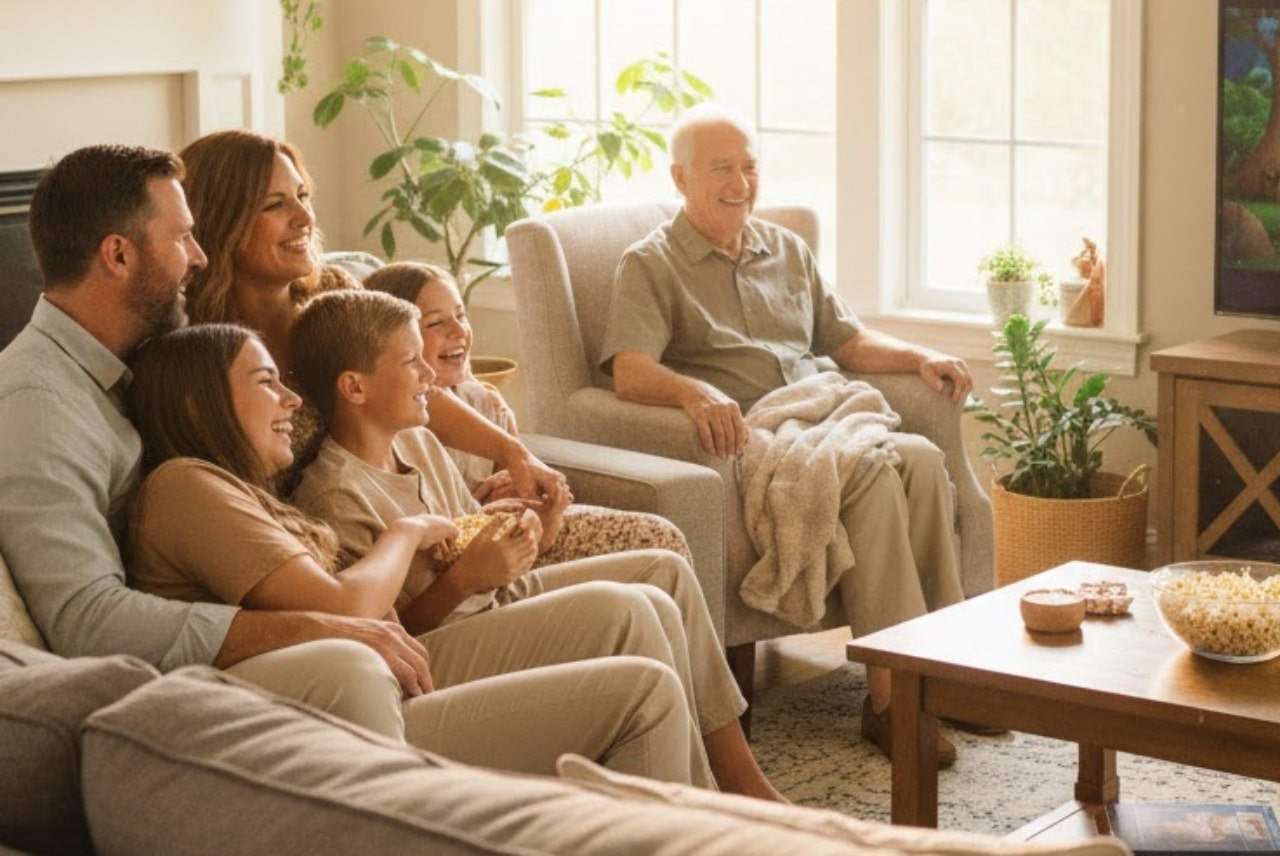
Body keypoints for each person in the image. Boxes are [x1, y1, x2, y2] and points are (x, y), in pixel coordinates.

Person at [124, 321, 713, 786]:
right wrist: (407, 532)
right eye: (265, 383)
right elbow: (346, 608)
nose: (291, 401)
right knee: (640, 678)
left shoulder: (241, 490)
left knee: (644, 612)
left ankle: (712, 817)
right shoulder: (185, 486)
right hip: (358, 708)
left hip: (390, 677)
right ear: (199, 406)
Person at [0, 144, 436, 735]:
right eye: (182, 238)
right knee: (351, 668)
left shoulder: (136, 369)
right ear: (119, 254)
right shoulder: (39, 403)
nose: (201, 258)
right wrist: (317, 625)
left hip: (297, 635)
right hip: (161, 700)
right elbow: (88, 619)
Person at [287, 288, 784, 801]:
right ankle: (697, 800)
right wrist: (464, 581)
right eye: (412, 362)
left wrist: (523, 528)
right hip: (436, 642)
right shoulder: (337, 495)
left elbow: (465, 534)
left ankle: (732, 778)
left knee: (664, 572)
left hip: (488, 599)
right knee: (630, 610)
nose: (430, 376)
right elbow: (384, 641)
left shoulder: (417, 439)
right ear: (355, 387)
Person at [599, 103, 977, 767]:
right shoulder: (650, 264)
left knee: (920, 459)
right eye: (722, 169)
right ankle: (890, 704)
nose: (740, 182)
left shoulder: (786, 249)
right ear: (680, 178)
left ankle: (945, 677)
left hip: (828, 411)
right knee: (873, 475)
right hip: (757, 434)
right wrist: (694, 392)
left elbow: (847, 342)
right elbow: (628, 369)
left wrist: (919, 357)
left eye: (749, 167)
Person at [177, 129, 565, 501]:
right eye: (275, 204)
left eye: (303, 196)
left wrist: (515, 456)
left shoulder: (333, 292)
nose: (305, 218)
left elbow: (410, 384)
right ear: (222, 221)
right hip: (330, 534)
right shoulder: (196, 347)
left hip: (411, 509)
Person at [363, 260, 692, 567]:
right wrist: (485, 504)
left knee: (664, 541)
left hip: (519, 545)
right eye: (435, 323)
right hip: (466, 564)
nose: (458, 331)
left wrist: (541, 508)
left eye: (461, 316)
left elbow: (536, 525)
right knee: (659, 542)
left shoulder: (485, 403)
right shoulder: (398, 419)